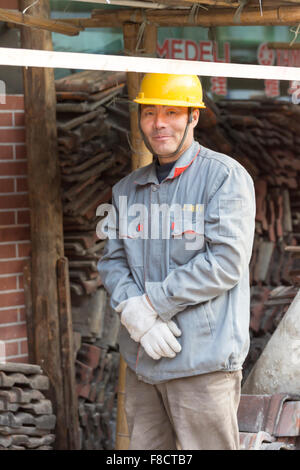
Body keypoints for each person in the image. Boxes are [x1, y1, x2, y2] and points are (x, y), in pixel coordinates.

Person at [97, 73, 256, 450]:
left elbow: (226, 261)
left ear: (193, 118)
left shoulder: (224, 178)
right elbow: (112, 261)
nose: (159, 123)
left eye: (171, 112)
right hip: (143, 362)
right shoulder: (126, 190)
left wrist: (151, 305)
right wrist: (132, 311)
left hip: (202, 364)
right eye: (149, 112)